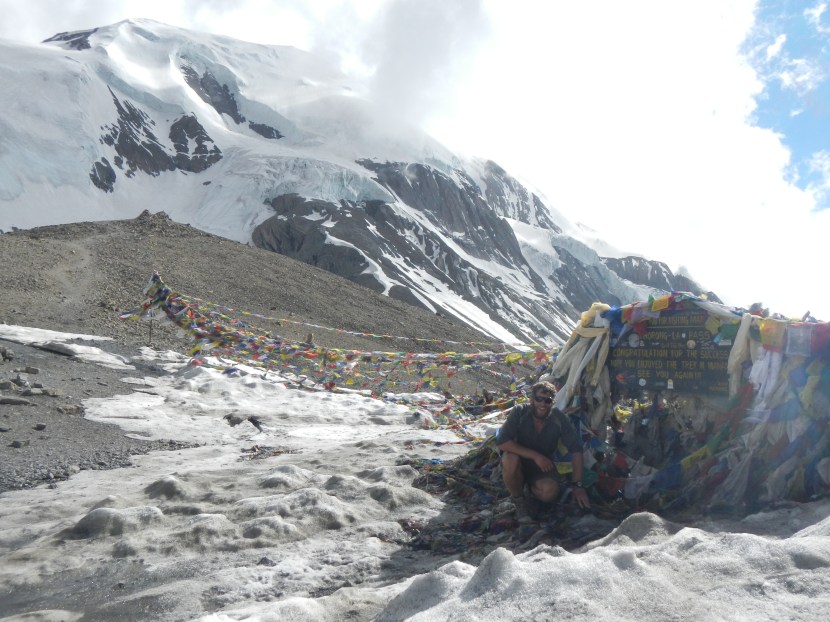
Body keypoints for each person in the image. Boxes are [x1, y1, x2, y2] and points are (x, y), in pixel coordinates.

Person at [497, 380, 591, 519]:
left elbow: (576, 449)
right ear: (532, 399)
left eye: (547, 400)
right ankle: (518, 500)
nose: (542, 404)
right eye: (539, 399)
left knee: (549, 493)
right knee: (510, 459)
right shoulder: (520, 412)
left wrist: (578, 485)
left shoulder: (558, 418)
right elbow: (502, 442)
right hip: (519, 463)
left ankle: (530, 494)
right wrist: (536, 456)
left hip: (542, 468)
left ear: (552, 402)